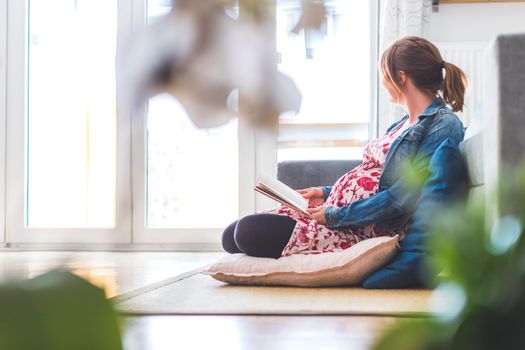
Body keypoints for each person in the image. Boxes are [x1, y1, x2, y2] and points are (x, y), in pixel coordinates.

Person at [221, 36, 467, 259]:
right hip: (337, 212)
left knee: (245, 233)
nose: (383, 81)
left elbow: (404, 197)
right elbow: (374, 174)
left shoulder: (442, 124)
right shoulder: (402, 123)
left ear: (400, 77)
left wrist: (334, 215)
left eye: (384, 74)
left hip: (358, 226)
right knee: (230, 235)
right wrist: (325, 192)